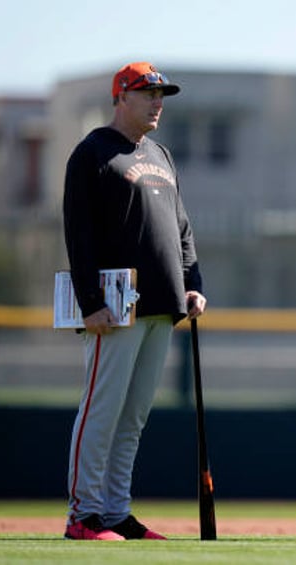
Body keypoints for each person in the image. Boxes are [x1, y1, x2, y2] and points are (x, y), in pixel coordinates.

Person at [62, 61, 206, 541]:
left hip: (163, 302)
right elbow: (79, 234)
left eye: (161, 94)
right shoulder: (93, 152)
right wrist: (89, 301)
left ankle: (117, 511)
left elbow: (182, 229)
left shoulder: (161, 154)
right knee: (102, 410)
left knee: (133, 417)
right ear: (121, 96)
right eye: (148, 93)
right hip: (114, 304)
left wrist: (193, 281)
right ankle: (84, 515)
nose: (158, 102)